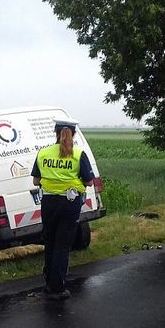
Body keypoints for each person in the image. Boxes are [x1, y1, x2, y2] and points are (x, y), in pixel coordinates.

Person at [31, 117, 94, 300]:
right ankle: (57, 288)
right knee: (62, 245)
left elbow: (36, 180)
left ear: (55, 133)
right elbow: (89, 181)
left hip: (48, 203)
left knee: (50, 242)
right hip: (69, 203)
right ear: (73, 134)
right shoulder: (78, 154)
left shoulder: (43, 153)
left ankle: (49, 283)